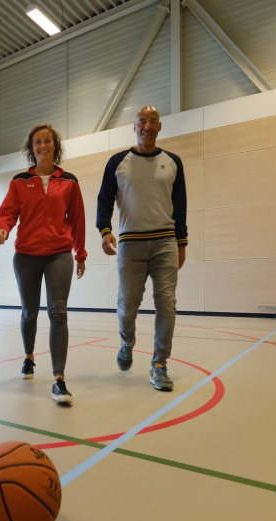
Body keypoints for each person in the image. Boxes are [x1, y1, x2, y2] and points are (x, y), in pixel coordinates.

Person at [96, 106, 187, 391]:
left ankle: (159, 364)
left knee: (167, 304)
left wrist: (181, 242)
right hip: (130, 245)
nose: (147, 126)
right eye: (141, 122)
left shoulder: (173, 162)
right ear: (134, 127)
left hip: (165, 243)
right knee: (127, 305)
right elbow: (104, 200)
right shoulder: (117, 162)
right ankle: (127, 341)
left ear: (159, 127)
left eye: (152, 122)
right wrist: (105, 230)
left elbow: (180, 206)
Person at [0, 124, 87, 404]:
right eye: (37, 142)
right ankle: (28, 357)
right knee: (29, 312)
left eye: (48, 141)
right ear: (31, 147)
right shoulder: (19, 181)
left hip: (59, 253)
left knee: (58, 313)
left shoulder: (69, 181)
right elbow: (8, 212)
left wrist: (80, 253)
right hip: (26, 255)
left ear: (55, 146)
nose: (43, 145)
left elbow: (77, 220)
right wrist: (2, 228)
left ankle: (59, 379)